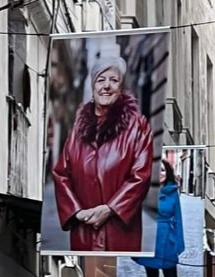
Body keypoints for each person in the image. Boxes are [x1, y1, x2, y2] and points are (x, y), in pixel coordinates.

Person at [53, 54, 153, 252]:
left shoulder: (138, 126)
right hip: (84, 232)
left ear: (120, 87)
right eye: (101, 80)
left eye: (113, 80)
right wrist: (78, 212)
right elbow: (61, 173)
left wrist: (110, 209)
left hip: (120, 233)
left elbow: (141, 176)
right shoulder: (78, 130)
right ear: (93, 87)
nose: (106, 86)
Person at [133, 160, 185, 277]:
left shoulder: (173, 193)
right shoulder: (142, 191)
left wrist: (179, 243)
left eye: (162, 170)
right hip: (148, 240)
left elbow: (178, 219)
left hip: (168, 239)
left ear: (167, 172)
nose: (159, 173)